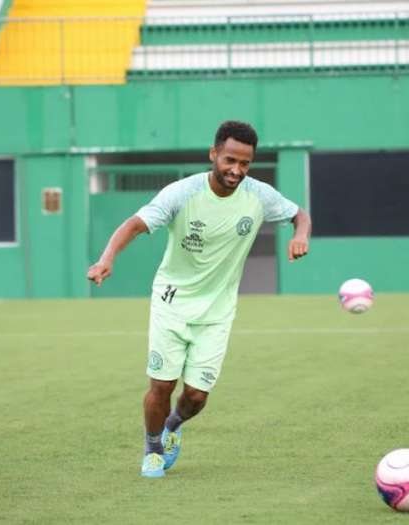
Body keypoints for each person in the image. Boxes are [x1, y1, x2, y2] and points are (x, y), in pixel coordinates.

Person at [87, 120, 311, 478]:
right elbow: (133, 224)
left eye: (245, 163)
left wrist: (300, 234)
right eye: (229, 160)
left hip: (218, 311)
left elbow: (300, 214)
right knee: (161, 385)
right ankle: (153, 449)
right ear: (214, 154)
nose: (237, 170)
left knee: (196, 397)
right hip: (172, 301)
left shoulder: (259, 195)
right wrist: (106, 258)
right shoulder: (182, 193)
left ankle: (173, 426)